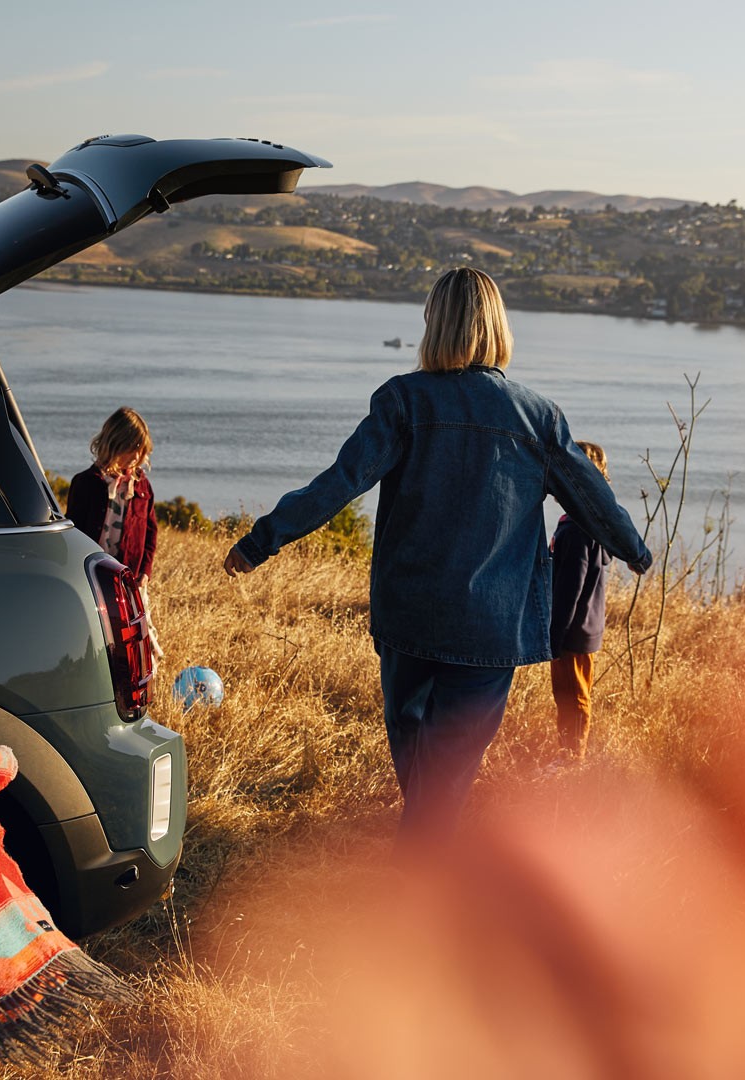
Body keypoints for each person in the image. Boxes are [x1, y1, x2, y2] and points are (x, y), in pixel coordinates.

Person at [222, 268, 653, 839]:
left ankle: (418, 867)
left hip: (411, 616)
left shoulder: (404, 400)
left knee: (417, 754)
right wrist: (637, 552)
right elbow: (596, 501)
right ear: (497, 328)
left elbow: (337, 483)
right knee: (444, 774)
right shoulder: (537, 418)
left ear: (436, 326)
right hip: (489, 627)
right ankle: (423, 868)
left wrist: (261, 542)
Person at [548, 441, 615, 762]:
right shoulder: (590, 522)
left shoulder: (577, 529)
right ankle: (569, 755)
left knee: (573, 697)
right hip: (581, 625)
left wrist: (554, 636)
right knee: (569, 695)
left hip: (572, 630)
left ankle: (572, 759)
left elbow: (569, 590)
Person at [64, 407, 159, 582]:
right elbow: (73, 533)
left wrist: (145, 572)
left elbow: (151, 533)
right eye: (133, 448)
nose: (137, 455)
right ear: (116, 444)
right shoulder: (86, 482)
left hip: (129, 578)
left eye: (141, 449)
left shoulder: (142, 486)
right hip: (90, 576)